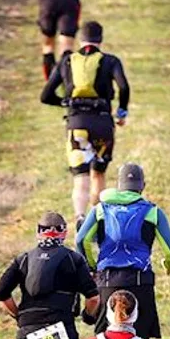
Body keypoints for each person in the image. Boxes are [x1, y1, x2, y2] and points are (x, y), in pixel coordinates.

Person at [76, 162, 170, 339]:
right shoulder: (153, 212)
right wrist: (168, 267)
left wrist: (92, 267)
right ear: (142, 186)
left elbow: (81, 240)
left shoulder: (100, 209)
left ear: (119, 185)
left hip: (107, 282)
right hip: (141, 283)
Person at [40, 20, 129, 223]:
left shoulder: (67, 61)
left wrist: (66, 103)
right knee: (98, 173)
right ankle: (97, 221)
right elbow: (124, 87)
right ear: (101, 39)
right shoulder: (110, 61)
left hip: (76, 124)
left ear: (81, 39)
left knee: (80, 178)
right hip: (103, 124)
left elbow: (45, 95)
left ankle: (80, 217)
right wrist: (122, 112)